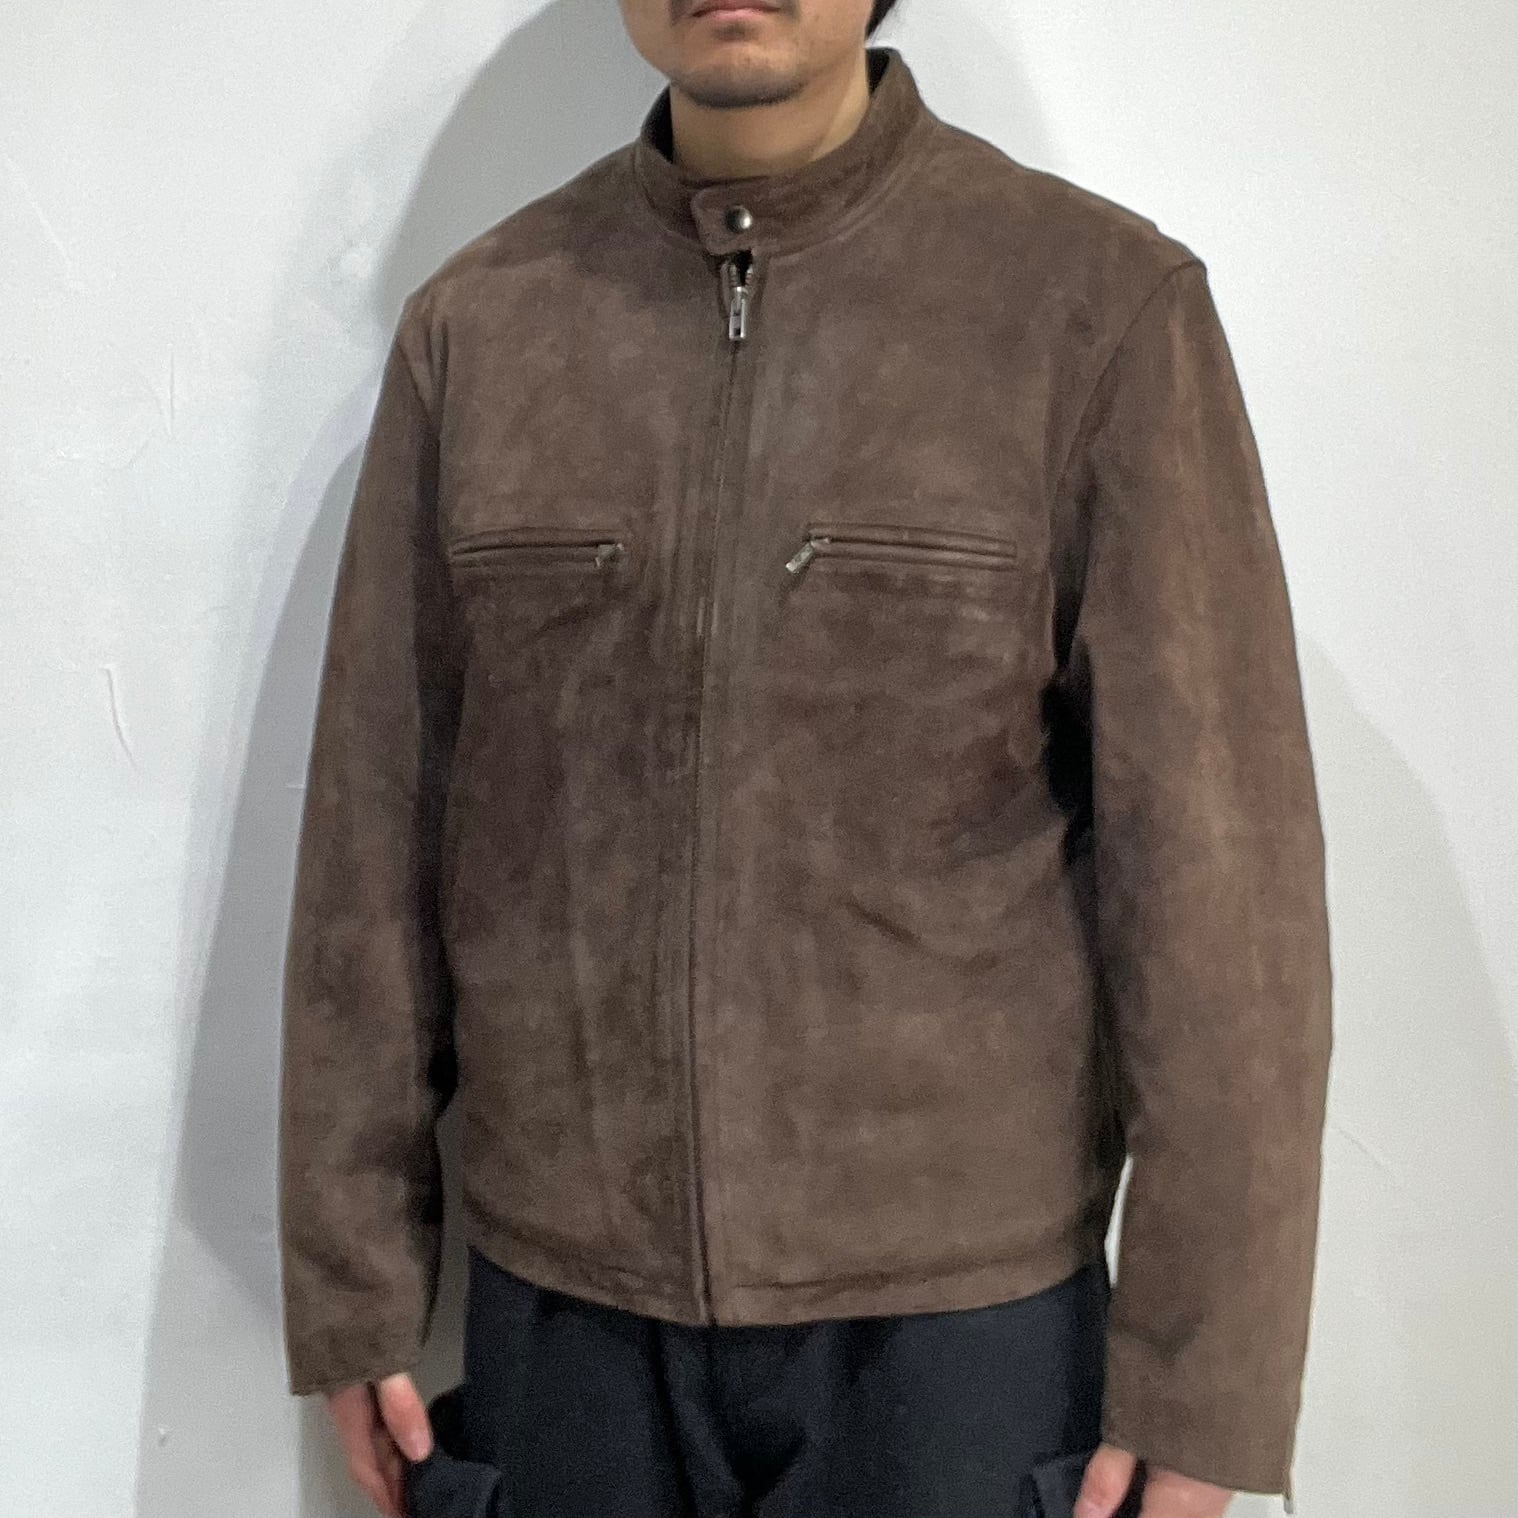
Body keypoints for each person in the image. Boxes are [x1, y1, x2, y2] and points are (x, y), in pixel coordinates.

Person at [277, 3, 1333, 1516]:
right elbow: (375, 830)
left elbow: (1222, 888)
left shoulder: (1094, 309)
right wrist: (352, 1279)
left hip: (961, 1335)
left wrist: (1205, 1383)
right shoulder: (484, 325)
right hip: (566, 1320)